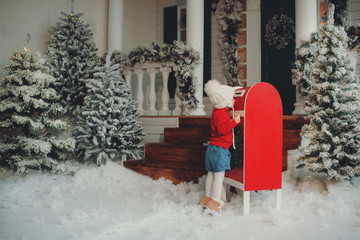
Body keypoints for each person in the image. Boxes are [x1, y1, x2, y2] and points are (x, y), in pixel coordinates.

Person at [199, 79, 241, 213]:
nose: (234, 100)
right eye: (232, 98)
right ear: (225, 101)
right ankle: (215, 201)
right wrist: (234, 121)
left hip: (212, 148)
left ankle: (207, 197)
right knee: (219, 177)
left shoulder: (216, 112)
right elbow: (222, 129)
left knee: (210, 175)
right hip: (220, 150)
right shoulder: (223, 114)